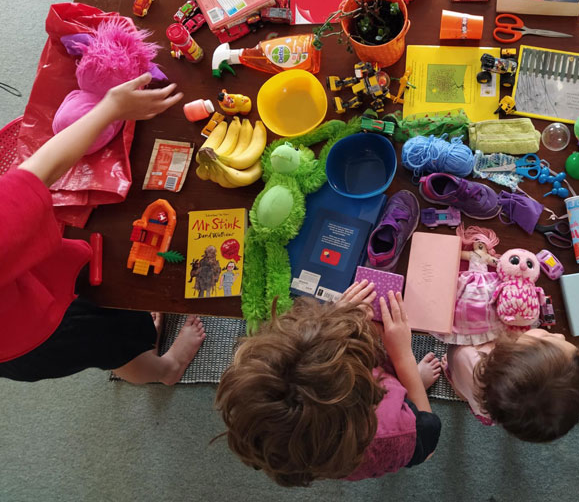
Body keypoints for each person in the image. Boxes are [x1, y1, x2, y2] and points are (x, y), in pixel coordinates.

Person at [0, 72, 206, 384]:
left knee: (114, 316)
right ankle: (166, 370)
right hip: (33, 336)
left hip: (20, 305)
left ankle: (134, 336)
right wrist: (109, 108)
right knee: (109, 343)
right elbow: (40, 172)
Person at [215, 280, 442, 485]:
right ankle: (410, 386)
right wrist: (403, 358)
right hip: (392, 438)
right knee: (410, 394)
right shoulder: (398, 431)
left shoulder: (291, 446)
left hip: (340, 453)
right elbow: (428, 443)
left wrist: (336, 320)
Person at [445, 329, 579, 440]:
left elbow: (454, 344)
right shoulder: (515, 409)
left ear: (509, 350)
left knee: (463, 386)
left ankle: (457, 388)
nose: (561, 335)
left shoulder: (467, 356)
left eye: (547, 337)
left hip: (467, 379)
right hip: (493, 412)